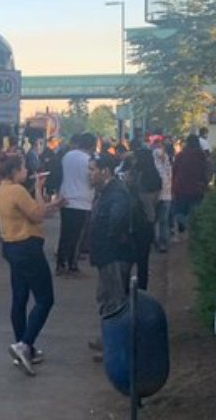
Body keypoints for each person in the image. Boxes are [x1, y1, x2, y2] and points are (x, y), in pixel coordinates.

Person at [0, 152, 64, 376]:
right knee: (45, 299)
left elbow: (32, 212)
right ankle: (24, 344)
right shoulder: (17, 191)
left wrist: (50, 204)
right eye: (24, 168)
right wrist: (41, 191)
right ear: (15, 171)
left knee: (20, 298)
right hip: (28, 248)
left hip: (11, 247)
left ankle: (24, 348)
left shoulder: (0, 191)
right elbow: (38, 215)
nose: (27, 172)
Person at [86, 152, 139, 356]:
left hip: (114, 254)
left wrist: (108, 237)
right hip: (108, 253)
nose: (89, 174)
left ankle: (116, 346)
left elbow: (117, 221)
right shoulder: (108, 191)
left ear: (105, 171)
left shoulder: (115, 193)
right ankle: (109, 338)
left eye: (92, 170)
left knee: (115, 300)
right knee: (106, 296)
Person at [56, 133, 97, 276]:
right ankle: (72, 265)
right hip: (82, 201)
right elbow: (92, 180)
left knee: (65, 234)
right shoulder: (89, 161)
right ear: (92, 146)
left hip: (66, 199)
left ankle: (60, 264)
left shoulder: (67, 156)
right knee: (77, 236)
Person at [125, 147, 160, 290]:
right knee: (143, 261)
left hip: (133, 221)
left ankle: (125, 289)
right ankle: (142, 289)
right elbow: (155, 200)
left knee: (127, 259)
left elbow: (129, 195)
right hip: (148, 222)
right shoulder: (155, 175)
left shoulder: (134, 174)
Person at [171, 133, 211, 241]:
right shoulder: (202, 156)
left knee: (179, 211)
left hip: (181, 188)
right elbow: (206, 171)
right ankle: (193, 232)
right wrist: (205, 184)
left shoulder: (180, 155)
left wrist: (173, 187)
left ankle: (182, 231)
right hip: (197, 188)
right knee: (194, 212)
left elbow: (174, 171)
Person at [151, 136, 174, 253]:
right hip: (166, 195)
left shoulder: (155, 164)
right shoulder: (168, 162)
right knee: (163, 221)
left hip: (157, 195)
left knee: (156, 220)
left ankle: (158, 242)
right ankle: (163, 243)